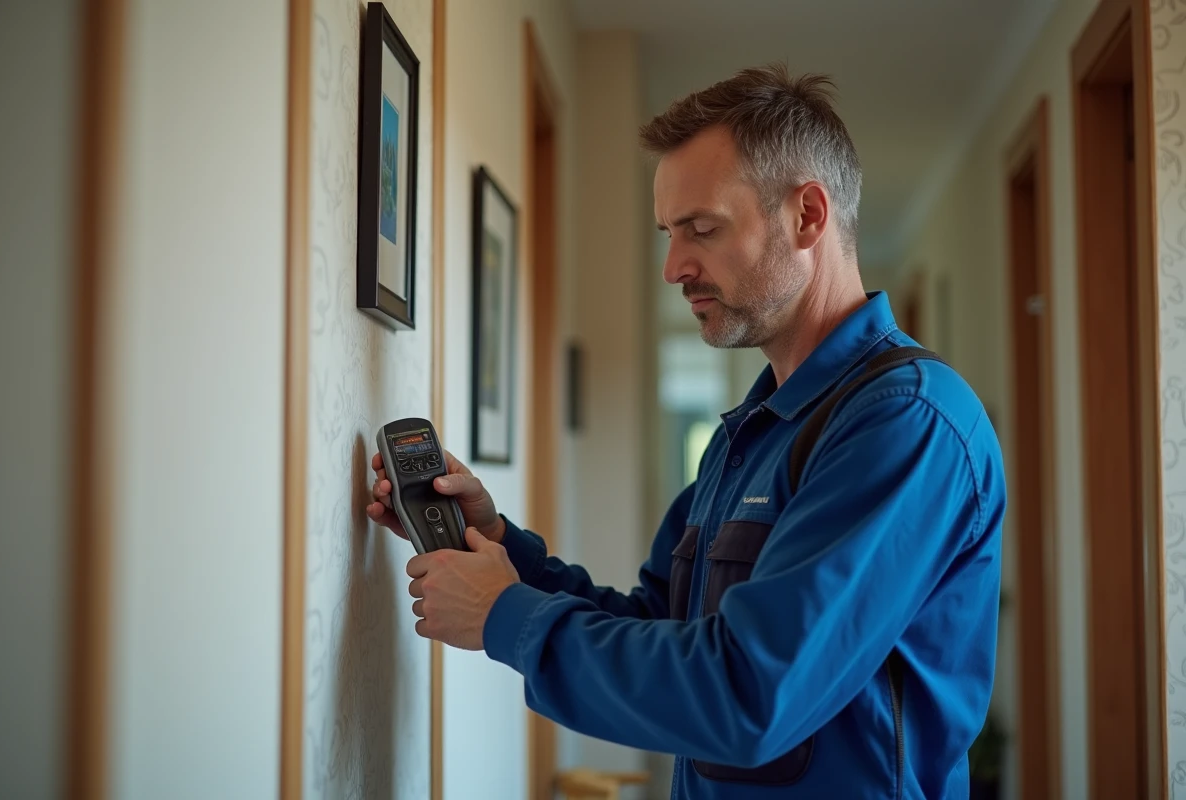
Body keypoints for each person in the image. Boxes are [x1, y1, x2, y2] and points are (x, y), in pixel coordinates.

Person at [367, 64, 1004, 799]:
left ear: (808, 216)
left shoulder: (905, 423)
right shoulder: (751, 436)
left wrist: (506, 615)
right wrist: (500, 548)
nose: (674, 266)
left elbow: (748, 694)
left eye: (701, 229)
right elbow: (662, 627)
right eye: (670, 233)